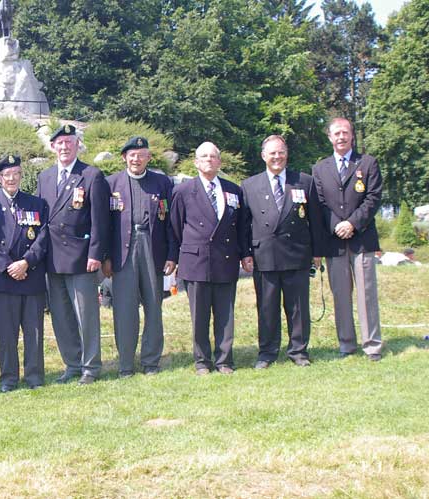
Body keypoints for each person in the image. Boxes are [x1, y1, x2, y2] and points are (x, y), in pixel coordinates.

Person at [35, 124, 109, 385]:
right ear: (53, 147)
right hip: (53, 258)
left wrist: (96, 254)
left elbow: (101, 220)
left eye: (69, 142)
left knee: (86, 315)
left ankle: (91, 366)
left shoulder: (91, 175)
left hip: (81, 258)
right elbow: (41, 220)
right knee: (61, 316)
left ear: (77, 145)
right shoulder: (44, 177)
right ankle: (72, 364)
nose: (64, 147)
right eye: (60, 143)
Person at [241, 135, 323, 368]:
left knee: (297, 307)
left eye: (281, 152)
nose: (277, 157)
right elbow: (244, 224)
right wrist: (245, 253)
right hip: (264, 255)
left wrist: (317, 252)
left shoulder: (304, 181)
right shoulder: (249, 185)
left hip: (296, 253)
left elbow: (315, 220)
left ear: (287, 154)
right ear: (263, 156)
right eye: (272, 153)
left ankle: (298, 351)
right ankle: (267, 353)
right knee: (266, 307)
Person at [102, 137, 178, 377]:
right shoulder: (110, 183)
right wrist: (105, 257)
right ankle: (125, 364)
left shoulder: (162, 182)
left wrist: (172, 255)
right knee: (124, 310)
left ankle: (151, 362)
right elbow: (103, 225)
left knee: (154, 307)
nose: (136, 159)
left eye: (141, 154)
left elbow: (171, 223)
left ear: (149, 158)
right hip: (121, 252)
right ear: (124, 157)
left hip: (152, 249)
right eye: (132, 155)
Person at [171, 142, 247, 375]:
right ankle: (202, 361)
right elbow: (175, 228)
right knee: (200, 316)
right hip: (196, 262)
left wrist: (245, 255)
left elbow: (242, 228)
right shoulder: (183, 191)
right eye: (203, 156)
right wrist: (173, 259)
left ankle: (224, 360)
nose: (209, 160)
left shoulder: (234, 190)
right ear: (195, 162)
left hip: (225, 260)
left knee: (225, 315)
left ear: (220, 162)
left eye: (213, 156)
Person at [312, 118, 383, 361]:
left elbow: (373, 198)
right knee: (340, 295)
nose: (341, 137)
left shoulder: (368, 163)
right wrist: (337, 226)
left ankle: (372, 345)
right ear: (329, 138)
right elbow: (319, 204)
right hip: (334, 243)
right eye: (336, 133)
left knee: (367, 294)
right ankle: (346, 344)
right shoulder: (319, 168)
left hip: (362, 239)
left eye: (345, 132)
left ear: (352, 136)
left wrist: (352, 223)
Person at [0, 155, 48, 392]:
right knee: (6, 334)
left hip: (31, 276)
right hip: (3, 278)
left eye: (16, 174)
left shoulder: (36, 203)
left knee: (34, 332)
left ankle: (34, 376)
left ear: (21, 176)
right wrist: (9, 265)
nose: (12, 178)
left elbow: (42, 238)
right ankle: (8, 378)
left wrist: (26, 263)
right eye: (6, 175)